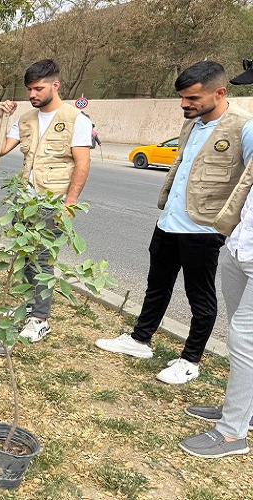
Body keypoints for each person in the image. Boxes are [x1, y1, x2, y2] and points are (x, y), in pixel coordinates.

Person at [96, 60, 253, 384]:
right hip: (169, 223)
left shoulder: (243, 127)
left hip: (203, 230)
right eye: (182, 97)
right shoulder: (192, 123)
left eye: (192, 98)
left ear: (219, 93)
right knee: (157, 285)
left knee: (200, 297)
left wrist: (230, 225)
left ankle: (190, 360)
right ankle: (140, 340)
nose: (184, 104)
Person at [179, 59, 253, 458]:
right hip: (241, 244)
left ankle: (232, 433)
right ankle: (242, 409)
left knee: (245, 339)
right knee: (240, 334)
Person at [0, 59, 93, 343]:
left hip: (53, 202)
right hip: (26, 201)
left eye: (38, 88)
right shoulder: (25, 120)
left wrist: (69, 205)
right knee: (25, 259)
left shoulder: (76, 120)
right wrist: (1, 119)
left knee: (43, 263)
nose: (32, 95)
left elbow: (82, 165)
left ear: (55, 85)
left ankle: (40, 319)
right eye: (29, 90)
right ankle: (28, 307)